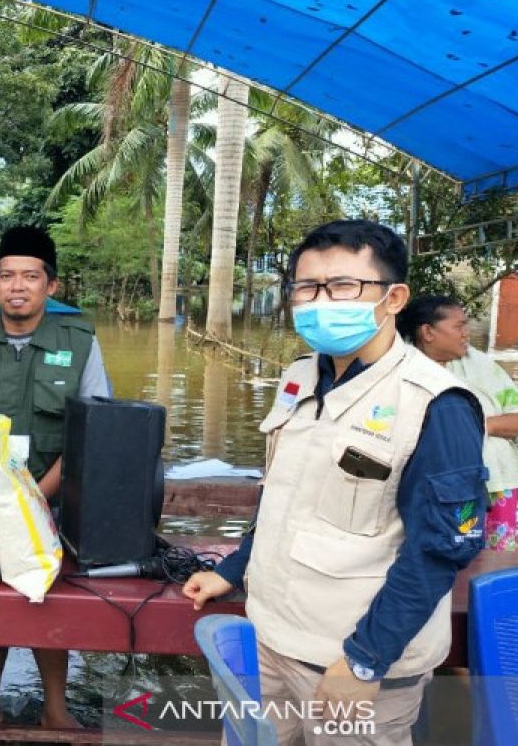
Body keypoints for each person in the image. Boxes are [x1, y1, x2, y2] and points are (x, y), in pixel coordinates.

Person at [184, 220, 488, 745]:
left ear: (393, 298)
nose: (321, 300)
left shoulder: (434, 403)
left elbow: (440, 550)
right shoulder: (300, 376)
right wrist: (234, 568)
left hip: (355, 662)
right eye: (307, 287)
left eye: (344, 286)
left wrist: (364, 661)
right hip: (271, 639)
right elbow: (285, 491)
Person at [0, 225, 111, 731]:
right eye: (7, 275)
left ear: (50, 287)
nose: (17, 286)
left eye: (30, 276)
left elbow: (88, 427)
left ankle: (56, 708)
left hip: (49, 497)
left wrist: (33, 498)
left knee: (44, 596)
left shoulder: (79, 341)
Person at [399, 295, 518, 551]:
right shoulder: (401, 370)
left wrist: (477, 425)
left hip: (499, 485)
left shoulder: (481, 366)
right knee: (443, 557)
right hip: (433, 490)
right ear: (428, 332)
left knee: (496, 565)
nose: (467, 333)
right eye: (459, 326)